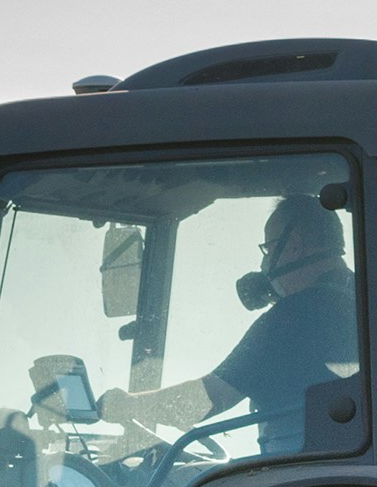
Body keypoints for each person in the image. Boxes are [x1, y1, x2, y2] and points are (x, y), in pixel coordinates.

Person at [103, 190, 357, 453]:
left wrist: (126, 404)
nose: (264, 262)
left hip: (300, 475)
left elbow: (207, 400)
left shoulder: (293, 316)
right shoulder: (366, 301)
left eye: (268, 248)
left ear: (293, 245)